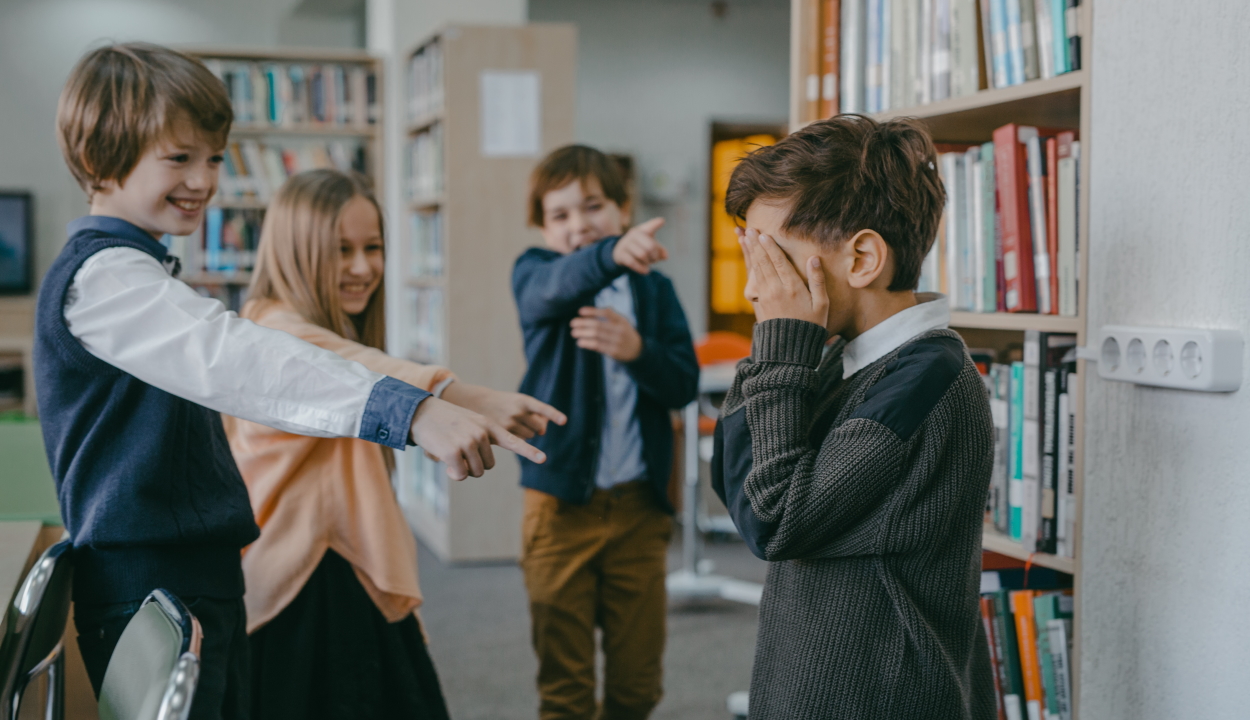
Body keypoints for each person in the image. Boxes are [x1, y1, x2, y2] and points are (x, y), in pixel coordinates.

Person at [36, 42, 543, 719]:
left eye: (214, 158)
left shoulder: (140, 268)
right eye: (179, 158)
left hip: (189, 577)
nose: (205, 179)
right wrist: (414, 411)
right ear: (101, 156)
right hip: (154, 586)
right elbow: (235, 356)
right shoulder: (103, 278)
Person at [222, 168, 564, 718]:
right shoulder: (274, 332)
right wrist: (461, 395)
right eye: (341, 250)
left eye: (373, 247)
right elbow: (356, 369)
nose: (363, 268)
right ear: (295, 251)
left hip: (330, 564)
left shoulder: (297, 323)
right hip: (310, 577)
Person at [711, 115, 997, 720]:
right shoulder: (841, 358)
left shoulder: (928, 381)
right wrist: (780, 347)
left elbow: (777, 521)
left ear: (862, 257)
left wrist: (783, 343)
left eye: (774, 257)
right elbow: (739, 478)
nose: (758, 288)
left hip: (879, 694)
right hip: (809, 680)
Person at [511, 145, 699, 720]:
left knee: (636, 687)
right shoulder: (537, 273)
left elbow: (683, 383)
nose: (579, 224)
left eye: (593, 207)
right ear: (543, 227)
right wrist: (611, 255)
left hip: (639, 513)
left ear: (623, 208)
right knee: (565, 690)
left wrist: (638, 351)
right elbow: (553, 285)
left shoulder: (655, 291)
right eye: (560, 215)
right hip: (559, 509)